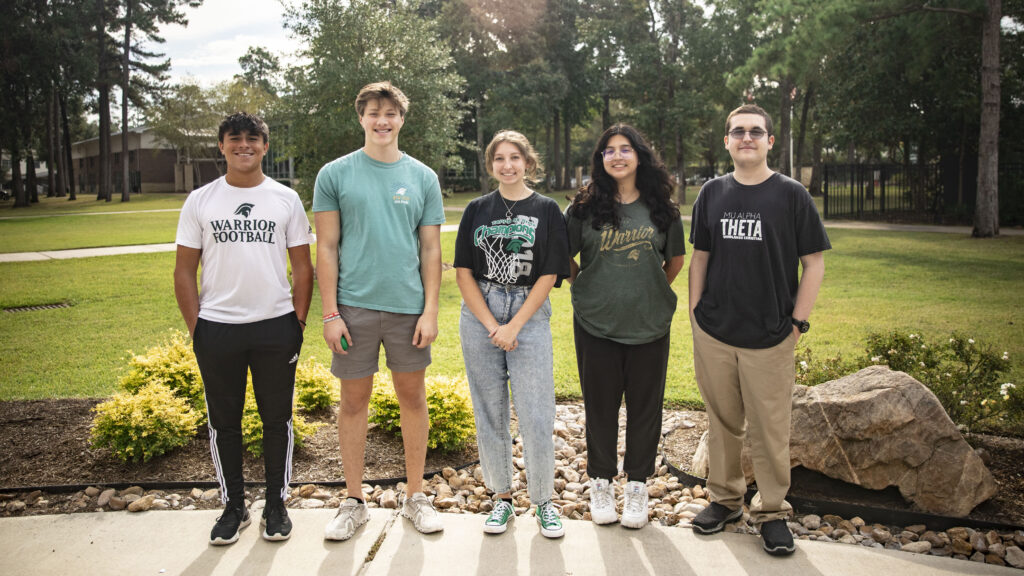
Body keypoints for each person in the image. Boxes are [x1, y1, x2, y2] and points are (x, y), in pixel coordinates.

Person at [688, 104, 830, 556]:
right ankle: (726, 501)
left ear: (770, 141)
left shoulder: (791, 195)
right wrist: (695, 316)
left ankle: (771, 511)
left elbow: (814, 263)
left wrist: (797, 323)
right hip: (715, 331)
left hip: (770, 335)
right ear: (727, 141)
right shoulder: (711, 193)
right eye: (737, 131)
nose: (746, 137)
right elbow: (701, 259)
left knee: (770, 430)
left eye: (755, 131)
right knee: (723, 423)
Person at [173, 112, 314, 545]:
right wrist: (199, 328)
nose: (244, 146)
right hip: (218, 329)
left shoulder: (285, 199)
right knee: (224, 423)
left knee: (277, 420)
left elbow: (303, 270)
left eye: (253, 139)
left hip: (275, 327)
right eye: (235, 140)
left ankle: (275, 503)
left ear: (265, 147)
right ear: (222, 146)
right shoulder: (201, 200)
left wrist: (297, 322)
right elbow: (183, 272)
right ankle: (234, 506)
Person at [313, 81, 445, 541]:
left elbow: (431, 250)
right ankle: (353, 501)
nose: (382, 120)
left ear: (401, 119)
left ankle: (416, 497)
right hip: (353, 309)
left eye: (390, 113)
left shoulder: (423, 177)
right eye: (373, 112)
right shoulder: (335, 174)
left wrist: (430, 311)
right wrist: (330, 313)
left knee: (412, 398)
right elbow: (326, 248)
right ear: (361, 118)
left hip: (408, 311)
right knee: (353, 403)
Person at [566, 124, 686, 529]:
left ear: (640, 156)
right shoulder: (583, 209)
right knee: (599, 406)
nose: (616, 156)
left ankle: (637, 485)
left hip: (650, 323)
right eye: (608, 151)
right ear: (600, 160)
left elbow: (674, 262)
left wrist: (644, 291)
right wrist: (588, 285)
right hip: (595, 322)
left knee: (645, 408)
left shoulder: (663, 210)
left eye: (625, 149)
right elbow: (566, 259)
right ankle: (600, 481)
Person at [454, 130, 570, 538]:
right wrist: (492, 326)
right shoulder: (476, 209)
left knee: (537, 412)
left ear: (528, 163)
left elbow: (551, 271)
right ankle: (501, 499)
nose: (507, 165)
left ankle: (543, 502)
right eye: (499, 158)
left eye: (515, 157)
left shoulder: (547, 209)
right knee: (489, 410)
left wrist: (516, 324)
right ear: (491, 166)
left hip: (529, 313)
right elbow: (463, 272)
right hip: (480, 312)